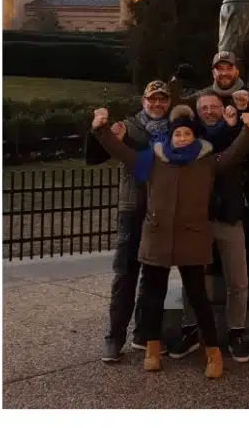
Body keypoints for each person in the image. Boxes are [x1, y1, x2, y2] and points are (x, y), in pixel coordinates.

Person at [91, 103, 249, 378]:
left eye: (186, 134)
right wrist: (101, 130)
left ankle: (213, 353)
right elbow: (124, 153)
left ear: (194, 137)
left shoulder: (205, 160)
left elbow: (232, 156)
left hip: (191, 237)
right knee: (153, 298)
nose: (181, 138)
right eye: (177, 134)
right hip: (158, 236)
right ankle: (152, 350)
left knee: (198, 297)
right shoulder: (154, 159)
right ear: (170, 137)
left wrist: (248, 131)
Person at [88, 81, 171, 363]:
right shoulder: (127, 126)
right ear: (143, 101)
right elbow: (96, 156)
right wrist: (99, 129)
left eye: (163, 99)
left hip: (160, 211)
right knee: (125, 274)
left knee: (155, 276)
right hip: (133, 208)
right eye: (153, 99)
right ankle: (114, 336)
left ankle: (145, 334)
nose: (158, 104)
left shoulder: (174, 129)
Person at [167, 91, 249, 363]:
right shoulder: (192, 137)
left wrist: (238, 127)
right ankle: (191, 328)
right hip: (199, 218)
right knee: (194, 279)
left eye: (213, 106)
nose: (209, 111)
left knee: (237, 279)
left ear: (221, 108)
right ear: (197, 110)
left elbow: (236, 151)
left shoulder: (232, 129)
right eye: (203, 107)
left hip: (228, 214)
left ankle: (236, 330)